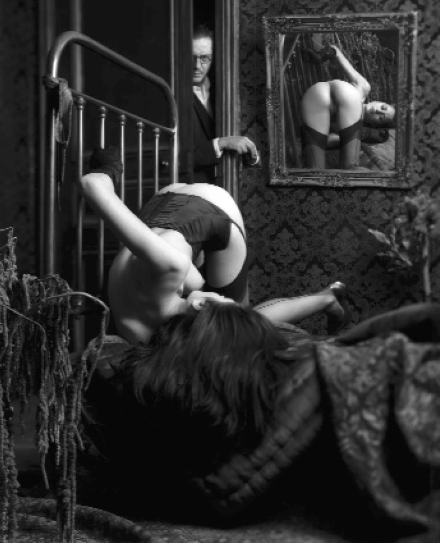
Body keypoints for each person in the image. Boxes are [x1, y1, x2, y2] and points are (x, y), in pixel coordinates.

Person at [80, 148, 348, 346]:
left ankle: (327, 298)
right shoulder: (142, 338)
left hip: (206, 205)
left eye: (218, 299)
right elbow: (193, 286)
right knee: (235, 323)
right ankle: (326, 299)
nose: (218, 295)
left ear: (200, 305)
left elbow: (91, 184)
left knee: (237, 321)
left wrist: (110, 167)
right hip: (178, 210)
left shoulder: (170, 267)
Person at [300, 44, 396, 169]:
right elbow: (336, 52)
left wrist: (363, 135)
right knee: (351, 167)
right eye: (383, 107)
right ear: (379, 101)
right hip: (345, 95)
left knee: (316, 170)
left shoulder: (356, 125)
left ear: (375, 124)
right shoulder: (363, 89)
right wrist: (322, 55)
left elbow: (324, 142)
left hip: (314, 95)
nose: (378, 111)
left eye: (381, 118)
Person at [192, 25, 259, 182]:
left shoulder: (221, 91)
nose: (197, 66)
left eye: (204, 58)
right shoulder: (172, 95)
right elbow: (171, 159)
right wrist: (221, 143)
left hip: (224, 182)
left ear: (213, 58)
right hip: (189, 188)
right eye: (191, 57)